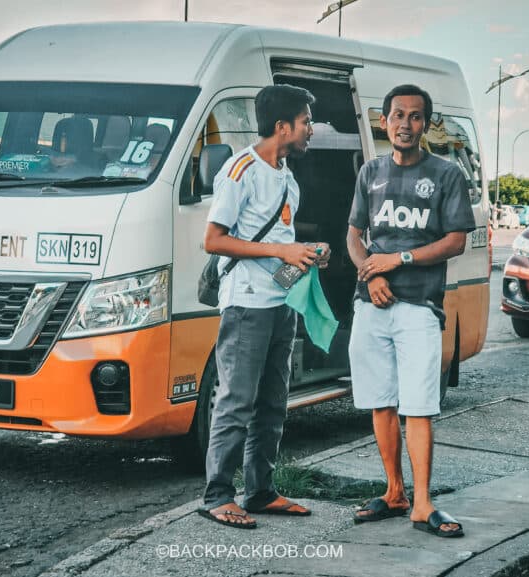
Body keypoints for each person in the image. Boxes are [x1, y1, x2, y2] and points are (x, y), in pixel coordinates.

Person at [345, 84, 475, 537]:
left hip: (419, 305)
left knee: (418, 406)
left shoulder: (446, 174)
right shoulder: (370, 172)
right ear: (384, 122)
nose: (405, 124)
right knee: (380, 402)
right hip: (372, 304)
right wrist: (370, 273)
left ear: (426, 124)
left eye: (415, 116)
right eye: (397, 115)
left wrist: (398, 260)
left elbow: (455, 241)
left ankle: (423, 503)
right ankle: (394, 492)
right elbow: (354, 235)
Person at [199, 84, 329, 529]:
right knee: (237, 401)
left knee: (273, 404)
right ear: (282, 126)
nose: (311, 129)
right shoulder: (242, 170)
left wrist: (306, 256)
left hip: (280, 303)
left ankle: (260, 491)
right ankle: (218, 495)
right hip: (246, 305)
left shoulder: (288, 178)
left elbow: (280, 246)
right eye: (306, 122)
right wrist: (281, 252)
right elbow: (213, 240)